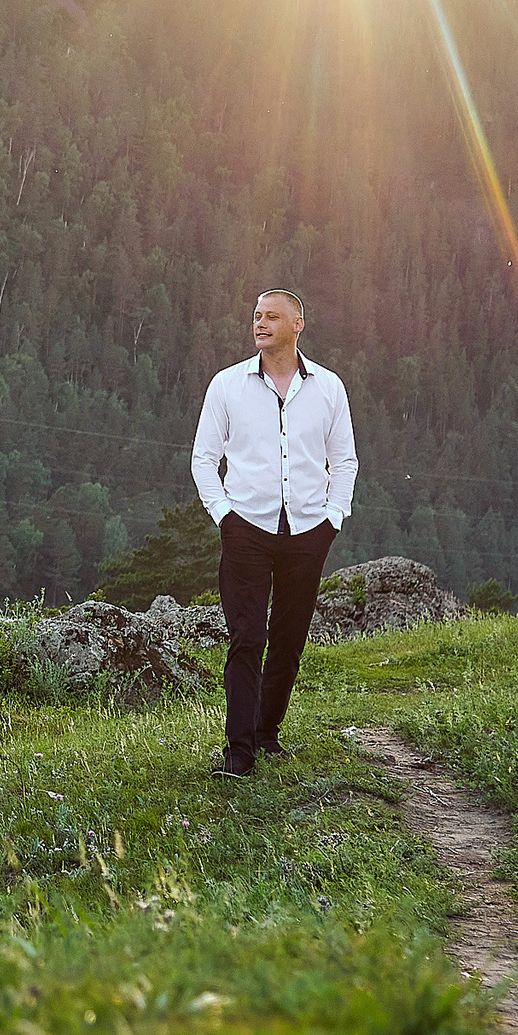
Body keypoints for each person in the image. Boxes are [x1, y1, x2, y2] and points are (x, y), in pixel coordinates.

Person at [189, 288, 357, 778]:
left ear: (298, 324)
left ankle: (267, 735)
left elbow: (344, 461)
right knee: (246, 637)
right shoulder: (227, 385)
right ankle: (238, 754)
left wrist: (333, 519)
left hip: (308, 532)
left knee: (288, 640)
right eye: (257, 316)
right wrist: (224, 515)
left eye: (272, 317)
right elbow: (203, 458)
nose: (260, 323)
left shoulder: (329, 388)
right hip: (246, 529)